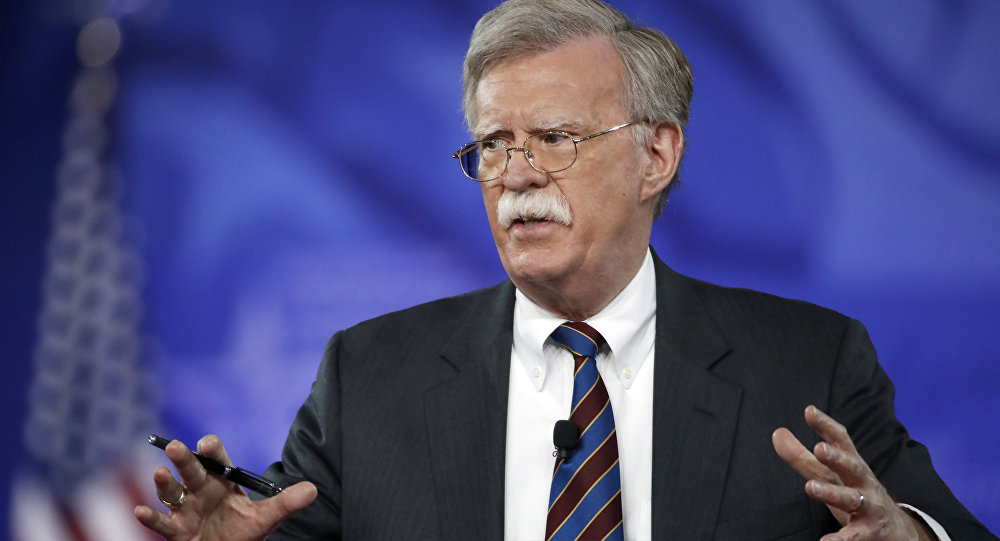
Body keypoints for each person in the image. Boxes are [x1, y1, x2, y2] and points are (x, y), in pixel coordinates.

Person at [135, 0, 996, 539]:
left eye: (554, 138)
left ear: (656, 155)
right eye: (493, 145)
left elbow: (942, 528)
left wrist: (910, 536)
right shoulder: (368, 375)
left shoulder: (808, 361)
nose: (515, 175)